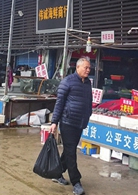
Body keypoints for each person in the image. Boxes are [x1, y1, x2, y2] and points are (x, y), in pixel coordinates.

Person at [49, 57, 92, 195]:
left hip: (80, 122)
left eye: (89, 68)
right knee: (71, 151)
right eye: (86, 67)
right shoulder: (67, 82)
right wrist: (54, 122)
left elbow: (89, 100)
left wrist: (88, 115)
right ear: (78, 67)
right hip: (67, 122)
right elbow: (59, 103)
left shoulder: (88, 83)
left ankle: (57, 173)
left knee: (69, 150)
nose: (88, 70)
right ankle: (76, 182)